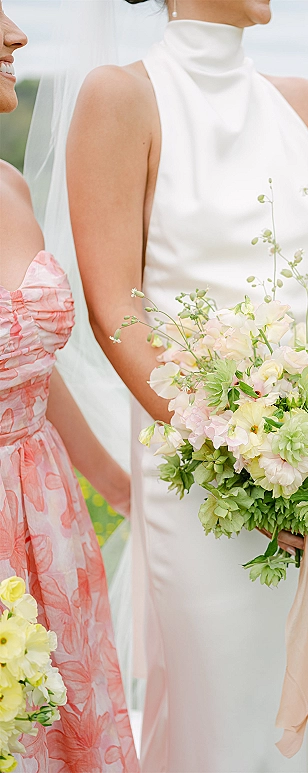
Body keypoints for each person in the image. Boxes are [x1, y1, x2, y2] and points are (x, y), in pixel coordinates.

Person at [66, 0, 308, 770]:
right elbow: (114, 310)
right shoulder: (121, 97)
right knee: (224, 722)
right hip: (202, 480)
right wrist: (245, 460)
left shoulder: (307, 105)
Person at [0, 4, 139, 771]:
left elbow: (32, 372)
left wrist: (120, 487)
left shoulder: (12, 186)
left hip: (50, 516)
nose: (17, 34)